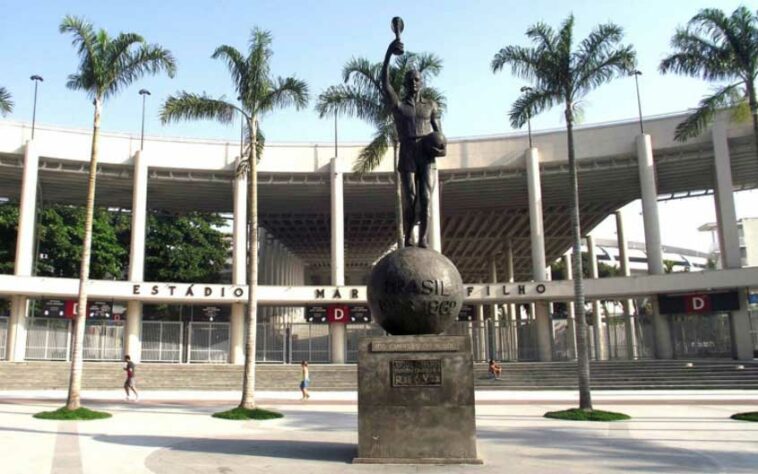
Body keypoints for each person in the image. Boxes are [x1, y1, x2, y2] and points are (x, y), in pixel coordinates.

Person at [381, 36, 446, 249]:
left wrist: (441, 147)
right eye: (410, 80)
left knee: (425, 199)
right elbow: (385, 83)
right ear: (405, 84)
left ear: (422, 82)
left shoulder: (430, 106)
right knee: (409, 199)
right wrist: (389, 54)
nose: (414, 83)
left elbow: (440, 134)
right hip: (407, 151)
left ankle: (423, 238)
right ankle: (409, 236)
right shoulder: (399, 106)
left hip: (426, 154)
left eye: (417, 79)